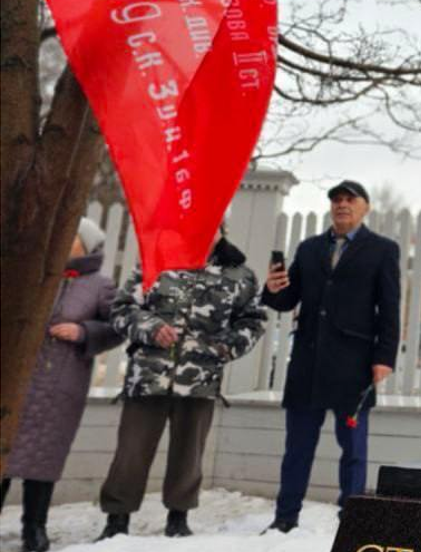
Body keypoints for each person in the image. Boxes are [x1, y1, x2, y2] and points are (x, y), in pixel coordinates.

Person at [96, 228, 265, 540]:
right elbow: (122, 310)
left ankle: (179, 516)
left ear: (221, 232)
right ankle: (116, 520)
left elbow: (252, 321)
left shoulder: (240, 275)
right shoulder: (155, 264)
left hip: (200, 380)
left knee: (189, 453)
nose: (205, 230)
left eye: (213, 224)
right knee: (130, 452)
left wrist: (226, 347)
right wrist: (150, 327)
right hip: (148, 377)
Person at [261, 180, 400, 533]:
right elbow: (287, 301)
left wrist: (384, 357)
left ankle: (352, 519)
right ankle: (284, 519)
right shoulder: (308, 249)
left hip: (354, 366)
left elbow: (390, 308)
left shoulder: (382, 250)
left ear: (365, 207)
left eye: (350, 200)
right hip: (307, 363)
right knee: (297, 449)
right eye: (336, 200)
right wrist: (271, 289)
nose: (342, 205)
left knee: (353, 449)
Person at [1, 218, 121, 552]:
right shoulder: (36, 274)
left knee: (45, 455)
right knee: (3, 449)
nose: (63, 240)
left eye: (70, 237)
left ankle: (34, 529)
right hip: (17, 377)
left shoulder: (100, 284)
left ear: (84, 243)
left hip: (61, 382)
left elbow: (116, 327)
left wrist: (83, 332)